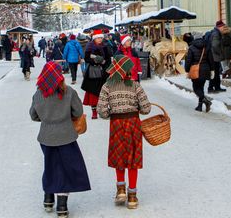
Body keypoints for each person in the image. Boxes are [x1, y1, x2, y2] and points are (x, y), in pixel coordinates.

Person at [30, 61, 91, 217]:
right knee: (65, 168)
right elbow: (78, 112)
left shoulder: (38, 94)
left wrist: (47, 118)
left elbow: (33, 115)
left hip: (46, 137)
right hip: (66, 136)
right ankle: (62, 206)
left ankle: (48, 198)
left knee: (50, 165)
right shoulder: (68, 92)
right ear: (59, 76)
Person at [97, 55, 151, 210]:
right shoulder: (135, 86)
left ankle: (121, 190)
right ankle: (132, 196)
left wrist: (109, 114)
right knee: (133, 158)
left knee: (118, 155)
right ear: (127, 70)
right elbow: (146, 108)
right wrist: (138, 110)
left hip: (116, 124)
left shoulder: (107, 86)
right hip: (133, 123)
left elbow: (101, 110)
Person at [81, 30, 112, 120]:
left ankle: (104, 110)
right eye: (98, 38)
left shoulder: (105, 46)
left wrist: (104, 62)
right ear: (94, 38)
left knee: (104, 92)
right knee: (92, 93)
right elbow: (86, 58)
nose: (100, 39)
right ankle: (94, 112)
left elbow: (109, 58)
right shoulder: (90, 46)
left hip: (103, 73)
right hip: (93, 72)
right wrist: (95, 61)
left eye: (101, 38)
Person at [183, 33, 212, 112]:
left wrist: (187, 69)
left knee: (196, 88)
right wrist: (212, 69)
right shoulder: (206, 46)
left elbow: (188, 60)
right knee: (201, 87)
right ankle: (200, 106)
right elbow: (210, 59)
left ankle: (206, 101)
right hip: (205, 69)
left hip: (195, 70)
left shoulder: (191, 48)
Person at [206, 21, 227, 93]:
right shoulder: (216, 34)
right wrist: (220, 52)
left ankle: (217, 87)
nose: (224, 28)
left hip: (214, 56)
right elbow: (215, 45)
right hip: (214, 56)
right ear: (219, 27)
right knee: (214, 72)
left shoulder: (216, 33)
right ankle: (210, 88)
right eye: (223, 27)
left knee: (217, 73)